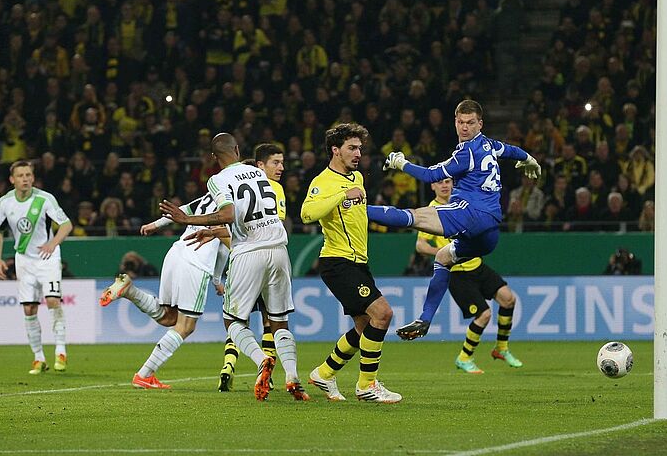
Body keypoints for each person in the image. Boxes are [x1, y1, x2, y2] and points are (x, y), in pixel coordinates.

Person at [367, 100, 541, 340]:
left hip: (471, 214)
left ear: (480, 124)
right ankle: (424, 320)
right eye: (461, 122)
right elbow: (510, 150)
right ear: (455, 122)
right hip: (489, 235)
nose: (465, 127)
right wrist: (529, 158)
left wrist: (401, 163)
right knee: (442, 257)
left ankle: (356, 208)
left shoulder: (466, 152)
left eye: (470, 122)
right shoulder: (490, 145)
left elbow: (431, 175)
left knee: (414, 217)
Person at [160, 133, 308, 402]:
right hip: (278, 248)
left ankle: (261, 360)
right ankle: (293, 377)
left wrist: (187, 220)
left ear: (213, 157)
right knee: (279, 321)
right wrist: (216, 232)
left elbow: (228, 214)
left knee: (233, 321)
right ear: (238, 149)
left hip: (248, 252)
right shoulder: (258, 173)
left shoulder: (217, 179)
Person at [300, 124, 401, 403]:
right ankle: (367, 385)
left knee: (364, 325)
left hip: (358, 262)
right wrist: (342, 196)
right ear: (336, 150)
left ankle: (324, 373)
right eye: (351, 148)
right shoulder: (323, 181)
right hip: (337, 261)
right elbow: (307, 214)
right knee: (383, 314)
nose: (358, 153)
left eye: (359, 148)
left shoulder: (357, 177)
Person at [99, 191, 228, 390]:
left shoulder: (214, 193)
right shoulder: (237, 202)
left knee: (169, 317)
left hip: (176, 253)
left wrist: (156, 224)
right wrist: (217, 279)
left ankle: (130, 291)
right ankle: (144, 375)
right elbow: (225, 245)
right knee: (186, 326)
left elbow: (184, 210)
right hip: (197, 261)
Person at [416, 178, 523, 373]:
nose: (444, 185)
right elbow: (420, 245)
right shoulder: (432, 210)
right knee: (484, 315)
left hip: (476, 265)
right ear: (432, 186)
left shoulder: (461, 201)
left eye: (447, 181)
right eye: (439, 182)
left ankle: (501, 348)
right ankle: (464, 358)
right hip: (457, 273)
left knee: (508, 299)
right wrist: (444, 253)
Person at [218, 143, 287, 392]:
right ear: (260, 165)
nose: (281, 168)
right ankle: (269, 372)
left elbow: (228, 225)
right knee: (270, 320)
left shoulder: (230, 185)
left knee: (236, 319)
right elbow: (272, 225)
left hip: (242, 261)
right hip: (268, 257)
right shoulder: (272, 188)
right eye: (276, 163)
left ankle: (229, 365)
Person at [0, 161, 73, 374]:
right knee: (29, 308)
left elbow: (66, 225)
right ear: (12, 180)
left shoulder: (44, 199)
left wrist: (53, 243)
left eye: (28, 175)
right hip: (24, 260)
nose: (25, 179)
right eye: (20, 175)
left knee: (52, 301)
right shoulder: (5, 203)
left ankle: (60, 351)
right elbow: (0, 231)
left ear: (33, 177)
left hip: (47, 257)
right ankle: (38, 358)